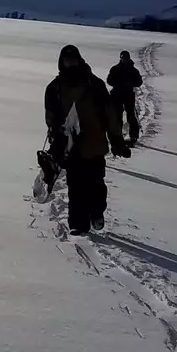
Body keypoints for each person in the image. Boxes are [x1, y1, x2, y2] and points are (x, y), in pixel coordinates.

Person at [44, 45, 127, 235]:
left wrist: (116, 139)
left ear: (79, 60)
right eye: (67, 60)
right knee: (76, 186)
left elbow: (110, 114)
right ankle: (78, 224)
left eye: (73, 59)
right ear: (62, 62)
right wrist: (56, 140)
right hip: (71, 146)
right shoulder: (55, 88)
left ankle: (96, 213)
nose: (70, 63)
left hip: (95, 142)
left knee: (96, 184)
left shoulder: (94, 85)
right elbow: (51, 119)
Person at [107, 50, 144, 144]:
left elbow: (139, 82)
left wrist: (130, 83)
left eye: (126, 58)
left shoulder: (133, 70)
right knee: (117, 116)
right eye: (123, 58)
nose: (124, 60)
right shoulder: (115, 69)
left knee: (131, 116)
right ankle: (117, 136)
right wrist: (118, 83)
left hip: (128, 95)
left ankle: (133, 136)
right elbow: (109, 81)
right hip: (117, 95)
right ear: (121, 58)